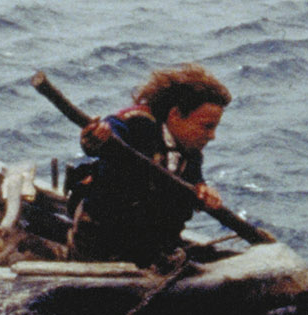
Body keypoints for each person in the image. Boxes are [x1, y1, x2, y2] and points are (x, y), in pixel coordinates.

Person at [67, 63, 230, 266]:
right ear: (175, 115)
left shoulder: (191, 153)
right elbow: (105, 136)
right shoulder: (137, 124)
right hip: (103, 242)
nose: (212, 136)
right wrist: (96, 137)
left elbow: (193, 180)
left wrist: (203, 191)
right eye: (207, 126)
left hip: (152, 245)